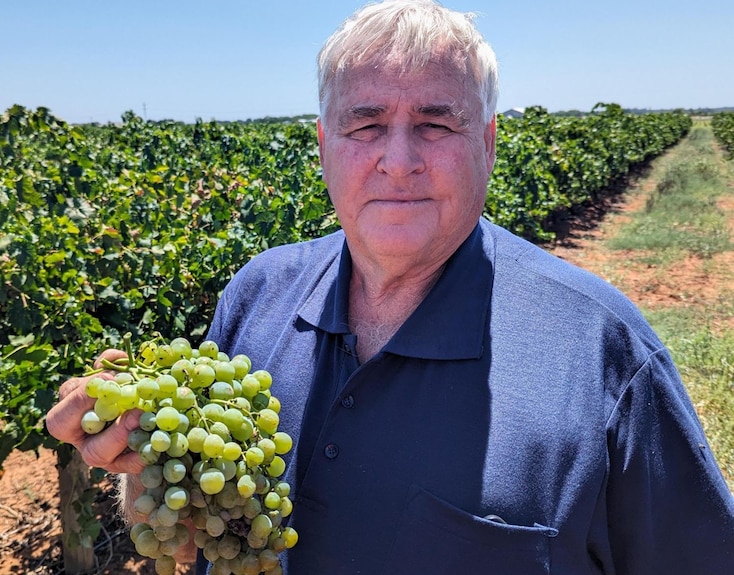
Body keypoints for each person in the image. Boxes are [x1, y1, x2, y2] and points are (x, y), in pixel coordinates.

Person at [47, 0, 734, 573]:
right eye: (366, 123)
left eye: (436, 123)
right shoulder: (256, 295)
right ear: (323, 145)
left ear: (488, 143)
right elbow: (196, 524)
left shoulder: (604, 354)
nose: (398, 160)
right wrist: (140, 461)